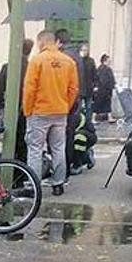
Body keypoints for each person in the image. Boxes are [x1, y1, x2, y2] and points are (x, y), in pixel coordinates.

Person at [23, 30, 79, 196]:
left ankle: (33, 185)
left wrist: (28, 110)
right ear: (55, 42)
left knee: (35, 149)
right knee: (58, 147)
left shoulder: (37, 61)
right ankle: (58, 183)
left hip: (40, 111)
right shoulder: (69, 62)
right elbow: (73, 89)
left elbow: (29, 89)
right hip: (60, 111)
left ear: (41, 42)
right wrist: (66, 106)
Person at [0, 38, 35, 163]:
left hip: (10, 110)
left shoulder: (7, 67)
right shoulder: (32, 67)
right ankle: (22, 173)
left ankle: (9, 168)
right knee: (23, 143)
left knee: (9, 142)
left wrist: (0, 108)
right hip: (26, 110)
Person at [55, 28, 83, 180]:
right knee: (68, 138)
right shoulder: (77, 56)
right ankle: (65, 172)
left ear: (58, 42)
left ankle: (60, 174)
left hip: (64, 104)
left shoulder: (63, 58)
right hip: (75, 104)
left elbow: (66, 85)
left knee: (59, 142)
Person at [78, 43, 97, 124]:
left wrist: (95, 85)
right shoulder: (77, 61)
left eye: (86, 50)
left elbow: (94, 74)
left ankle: (88, 121)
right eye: (83, 50)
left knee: (89, 106)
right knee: (78, 107)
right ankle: (78, 121)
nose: (84, 52)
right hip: (79, 88)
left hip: (89, 88)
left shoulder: (91, 61)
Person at [94, 54, 116, 121]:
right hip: (104, 90)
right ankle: (94, 118)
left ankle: (109, 117)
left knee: (105, 104)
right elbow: (104, 80)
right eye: (109, 60)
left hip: (104, 90)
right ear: (105, 60)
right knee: (100, 104)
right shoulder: (105, 69)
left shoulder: (101, 68)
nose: (110, 62)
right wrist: (111, 85)